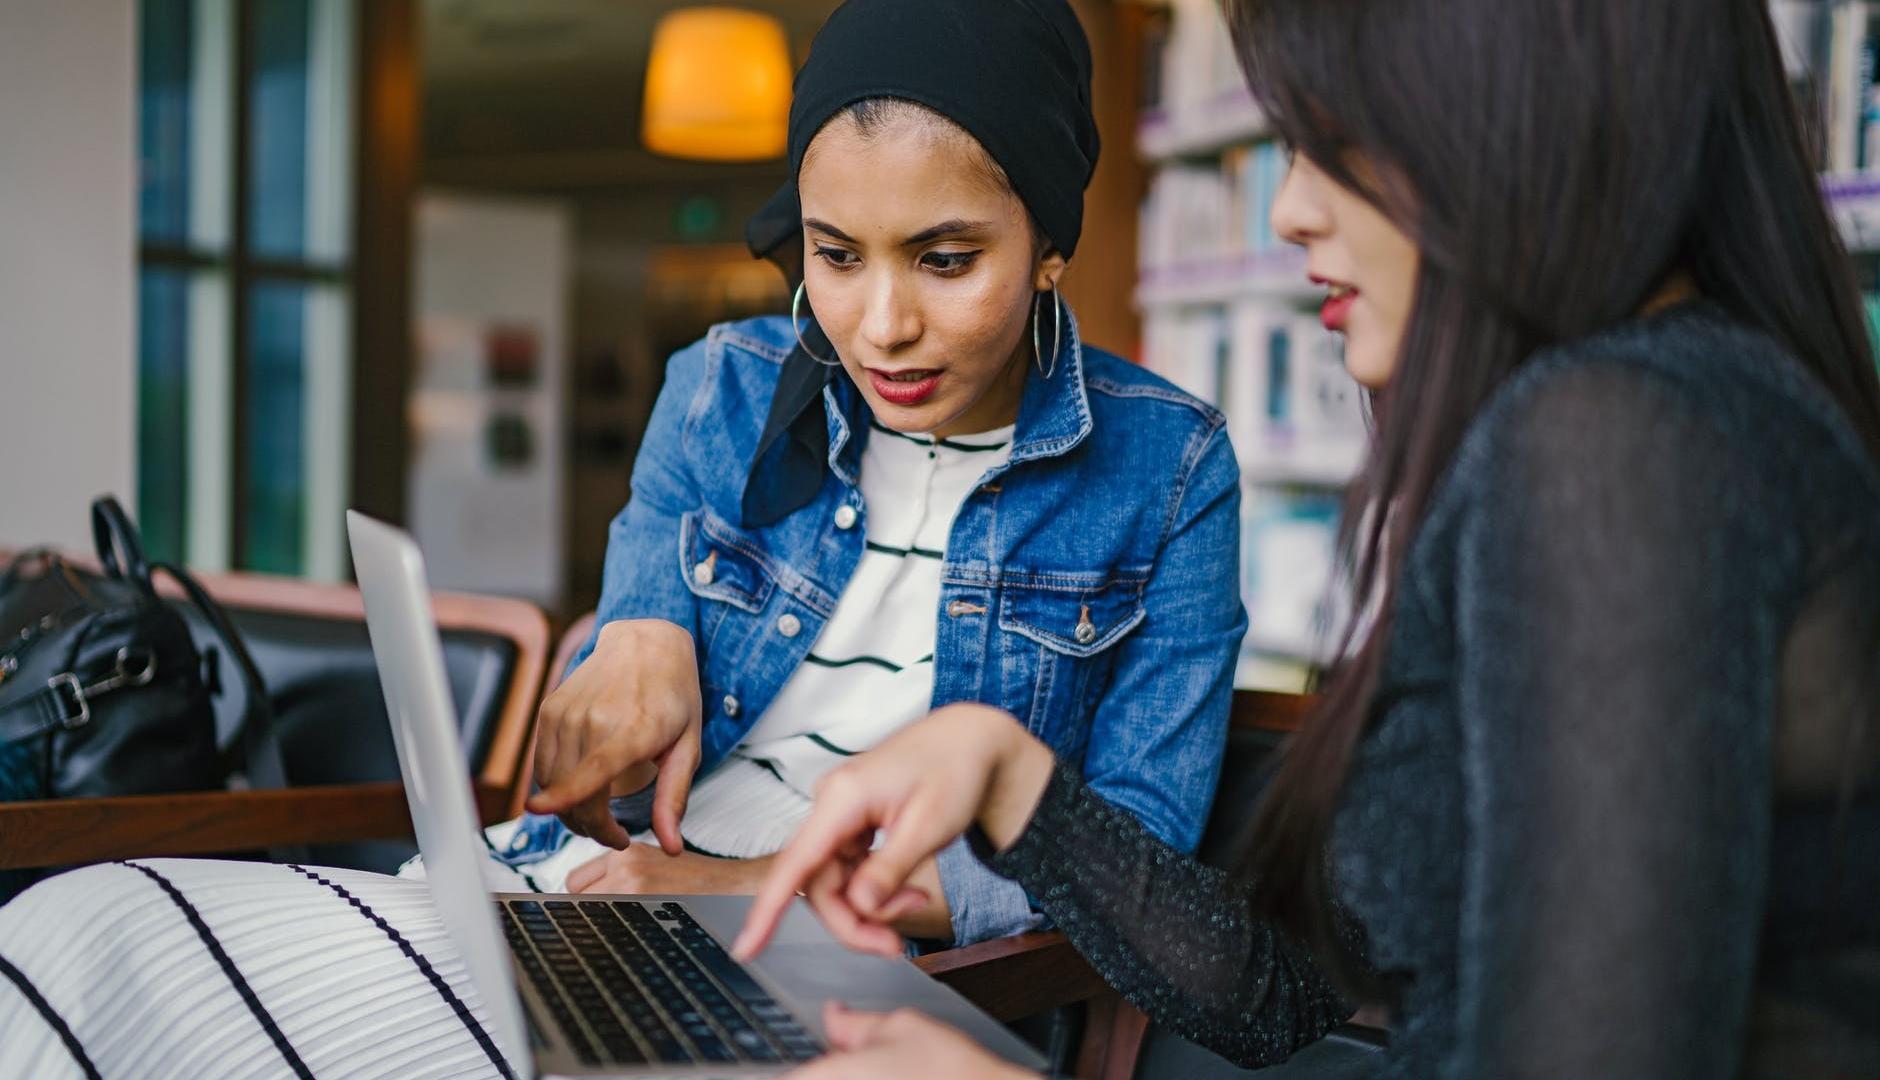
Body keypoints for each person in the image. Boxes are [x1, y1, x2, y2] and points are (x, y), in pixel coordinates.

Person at [0, 3, 1249, 1076]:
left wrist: (762, 894)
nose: (879, 325)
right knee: (74, 932)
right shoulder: (724, 381)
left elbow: (1122, 871)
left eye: (944, 259)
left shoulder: (1167, 469)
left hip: (851, 977)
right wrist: (630, 634)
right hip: (577, 893)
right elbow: (626, 668)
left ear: (1050, 248)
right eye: (832, 255)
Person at [734, 0, 1880, 1076]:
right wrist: (1012, 780)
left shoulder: (1619, 442)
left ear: (1517, 103)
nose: (1288, 210)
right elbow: (1285, 997)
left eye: (1333, 138)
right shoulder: (1671, 411)